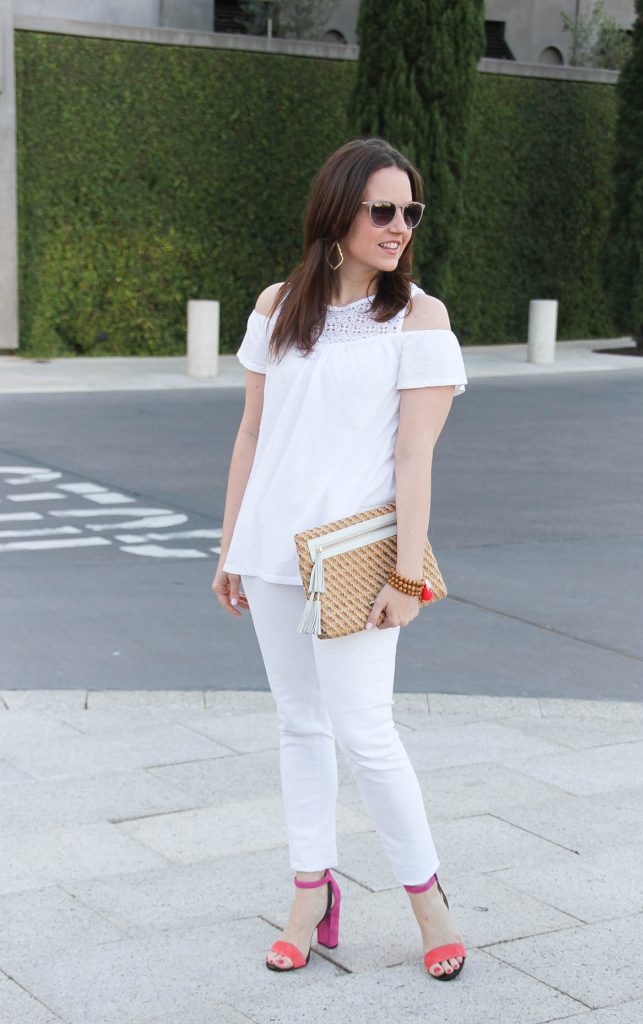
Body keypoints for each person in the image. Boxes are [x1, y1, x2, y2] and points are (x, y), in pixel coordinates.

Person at [212, 137, 468, 980]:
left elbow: (414, 459)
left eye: (410, 212)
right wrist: (229, 546)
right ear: (339, 212)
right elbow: (253, 430)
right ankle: (310, 894)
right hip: (271, 551)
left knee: (367, 733)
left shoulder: (418, 319)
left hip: (358, 561)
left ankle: (428, 904)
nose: (399, 227)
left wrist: (404, 576)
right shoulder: (278, 304)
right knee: (300, 725)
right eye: (382, 210)